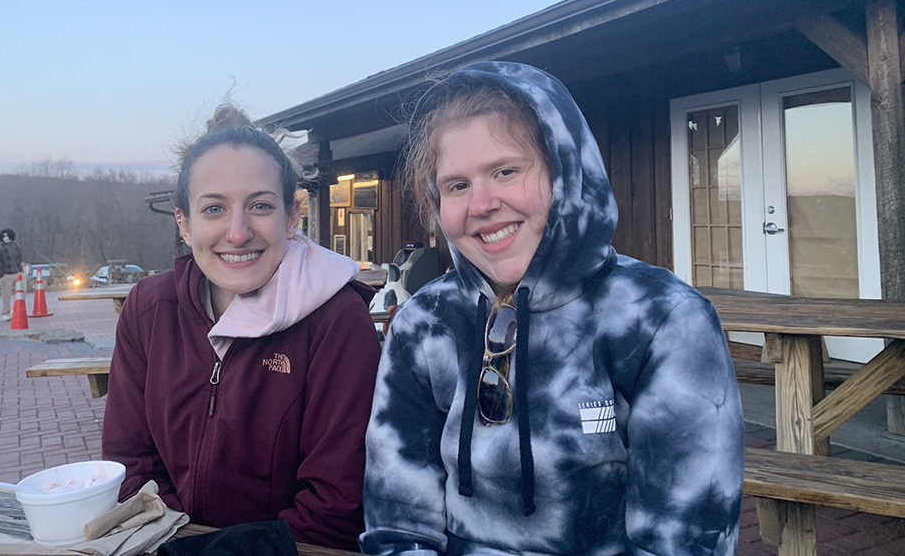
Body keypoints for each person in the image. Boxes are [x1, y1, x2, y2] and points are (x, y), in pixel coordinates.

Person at [361, 62, 745, 556]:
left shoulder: (662, 321)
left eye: (506, 171)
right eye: (457, 185)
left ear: (567, 175)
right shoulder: (424, 323)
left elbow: (685, 542)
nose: (481, 203)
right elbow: (398, 523)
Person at [102, 105, 382, 550]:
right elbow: (129, 463)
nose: (237, 232)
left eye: (260, 206)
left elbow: (335, 508)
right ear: (185, 224)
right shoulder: (150, 309)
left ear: (292, 217)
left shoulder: (338, 321)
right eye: (214, 208)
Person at [0, 228, 24, 321]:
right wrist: (0, 274)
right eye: (4, 236)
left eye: (7, 236)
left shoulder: (17, 247)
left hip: (18, 273)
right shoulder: (0, 249)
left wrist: (21, 269)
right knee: (6, 295)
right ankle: (6, 312)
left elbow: (20, 258)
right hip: (6, 275)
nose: (6, 238)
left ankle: (20, 310)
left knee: (22, 293)